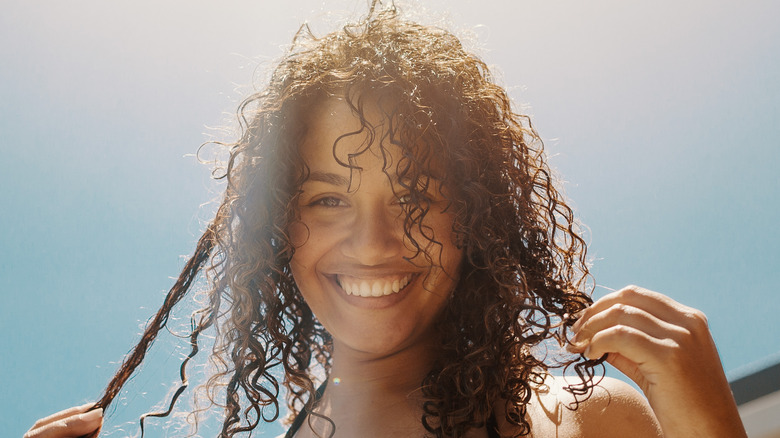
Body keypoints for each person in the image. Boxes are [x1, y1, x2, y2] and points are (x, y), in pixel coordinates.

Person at [25, 4, 747, 438]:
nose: (372, 242)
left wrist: (712, 427)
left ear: (477, 218)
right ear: (281, 229)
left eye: (414, 197)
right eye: (328, 198)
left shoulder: (587, 417)